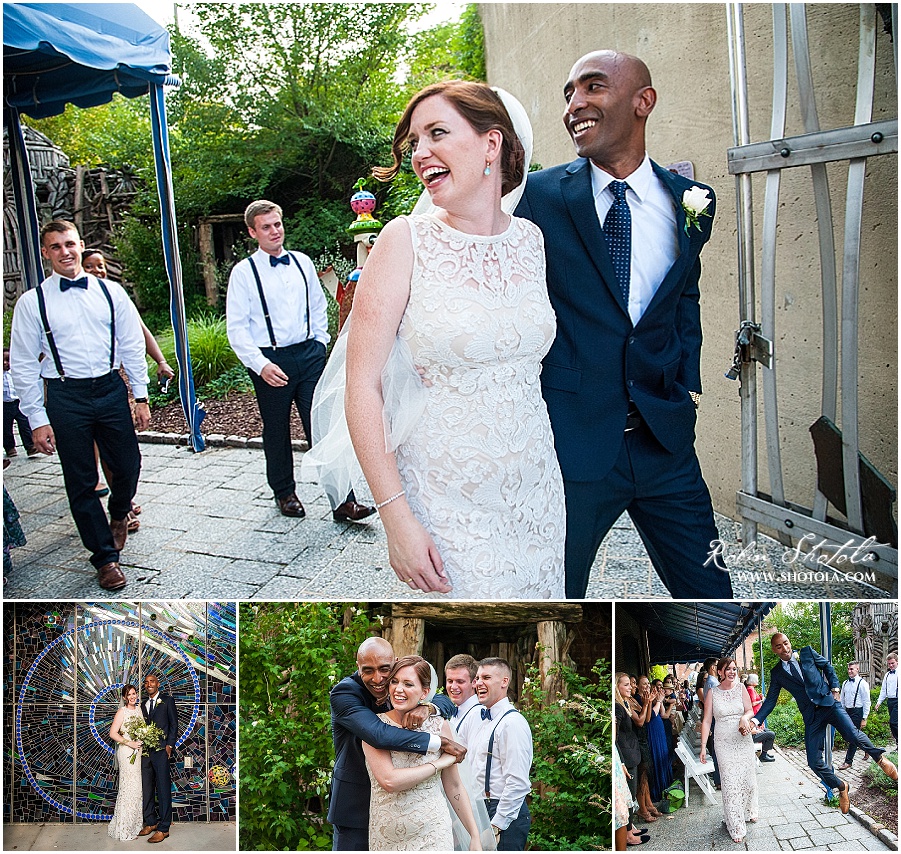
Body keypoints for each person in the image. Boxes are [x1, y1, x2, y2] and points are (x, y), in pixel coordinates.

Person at [515, 49, 733, 600]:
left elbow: (685, 298)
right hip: (573, 443)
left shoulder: (691, 202)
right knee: (555, 596)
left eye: (593, 87)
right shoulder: (537, 197)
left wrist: (684, 385)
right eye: (569, 93)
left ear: (643, 102)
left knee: (712, 592)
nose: (575, 104)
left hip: (665, 444)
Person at [344, 81, 564, 598]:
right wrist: (395, 519)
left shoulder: (531, 241)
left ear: (492, 144)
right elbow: (362, 385)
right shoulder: (404, 241)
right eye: (415, 141)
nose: (421, 153)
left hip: (536, 492)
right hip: (445, 502)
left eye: (437, 133)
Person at [9, 220, 150, 590]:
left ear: (81, 245)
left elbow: (132, 345)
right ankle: (105, 559)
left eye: (69, 244)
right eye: (55, 247)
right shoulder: (32, 302)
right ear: (45, 253)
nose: (65, 252)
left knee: (128, 465)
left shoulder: (111, 292)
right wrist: (37, 419)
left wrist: (141, 394)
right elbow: (23, 364)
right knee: (82, 480)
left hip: (108, 387)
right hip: (65, 395)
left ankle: (119, 512)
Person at [226, 200, 373, 523]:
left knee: (321, 426)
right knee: (276, 429)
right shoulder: (244, 273)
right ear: (253, 232)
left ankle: (343, 501)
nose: (274, 231)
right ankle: (284, 492)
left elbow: (318, 306)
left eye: (277, 224)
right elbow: (236, 329)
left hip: (308, 356)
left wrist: (320, 342)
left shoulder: (303, 262)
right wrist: (260, 364)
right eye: (266, 227)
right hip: (270, 361)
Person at [328, 637, 464, 850]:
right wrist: (438, 742)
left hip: (405, 808)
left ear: (395, 662)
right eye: (368, 670)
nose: (378, 678)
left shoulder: (397, 687)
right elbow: (378, 734)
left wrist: (427, 708)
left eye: (384, 669)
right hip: (356, 807)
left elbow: (444, 700)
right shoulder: (345, 693)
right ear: (358, 667)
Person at [753, 634, 898, 814]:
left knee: (851, 734)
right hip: (811, 716)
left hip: (829, 704)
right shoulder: (777, 673)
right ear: (774, 650)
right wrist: (755, 720)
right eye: (779, 646)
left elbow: (827, 666)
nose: (785, 648)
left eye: (786, 643)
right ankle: (841, 786)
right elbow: (771, 700)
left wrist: (835, 688)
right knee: (813, 762)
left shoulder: (807, 653)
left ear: (790, 642)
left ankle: (880, 759)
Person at [81, 248, 173, 530]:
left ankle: (121, 500)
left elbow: (140, 329)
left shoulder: (115, 295)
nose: (98, 270)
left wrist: (160, 360)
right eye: (90, 266)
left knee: (119, 450)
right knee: (94, 449)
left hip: (114, 379)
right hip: (80, 385)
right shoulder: (71, 301)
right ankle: (116, 505)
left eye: (101, 265)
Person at [363, 656, 487, 851]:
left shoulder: (438, 725)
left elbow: (454, 786)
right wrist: (439, 764)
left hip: (433, 831)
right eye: (394, 682)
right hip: (387, 834)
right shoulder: (373, 727)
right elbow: (389, 782)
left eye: (408, 684)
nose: (398, 689)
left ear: (425, 692)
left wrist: (474, 835)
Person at [470, 658, 533, 850]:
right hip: (482, 810)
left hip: (503, 813)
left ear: (504, 682)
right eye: (478, 677)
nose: (478, 682)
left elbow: (518, 782)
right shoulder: (482, 720)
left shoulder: (512, 723)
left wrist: (497, 825)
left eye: (486, 677)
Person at [699, 658, 758, 844]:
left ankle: (749, 811)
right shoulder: (712, 693)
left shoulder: (741, 688)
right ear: (720, 672)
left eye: (734, 669)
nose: (732, 672)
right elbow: (707, 721)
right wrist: (702, 747)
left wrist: (744, 719)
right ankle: (735, 825)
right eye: (728, 669)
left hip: (743, 739)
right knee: (730, 781)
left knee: (747, 778)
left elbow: (750, 711)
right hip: (723, 741)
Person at [140, 673, 178, 844]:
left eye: (152, 681)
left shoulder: (167, 701)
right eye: (147, 682)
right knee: (147, 788)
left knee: (163, 789)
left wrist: (169, 745)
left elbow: (173, 724)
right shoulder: (142, 704)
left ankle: (164, 828)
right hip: (145, 752)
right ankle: (150, 822)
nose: (149, 684)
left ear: (158, 683)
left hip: (162, 750)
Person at [614, 673, 651, 847]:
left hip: (632, 753)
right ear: (616, 687)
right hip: (626, 757)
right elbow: (614, 739)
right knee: (627, 795)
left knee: (630, 794)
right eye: (626, 685)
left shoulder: (625, 704)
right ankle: (627, 834)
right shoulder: (617, 707)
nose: (631, 688)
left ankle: (630, 828)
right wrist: (620, 761)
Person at [108, 683, 144, 840]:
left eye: (134, 693)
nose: (132, 696)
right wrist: (129, 743)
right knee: (128, 788)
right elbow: (112, 733)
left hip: (138, 751)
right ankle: (124, 830)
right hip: (126, 752)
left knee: (136, 789)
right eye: (129, 694)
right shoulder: (121, 712)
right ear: (124, 697)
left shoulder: (139, 709)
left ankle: (134, 826)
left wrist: (142, 738)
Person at [3, 348, 37, 458]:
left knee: (24, 424)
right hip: (4, 404)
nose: (5, 363)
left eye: (8, 360)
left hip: (18, 402)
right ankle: (9, 447)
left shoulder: (15, 373)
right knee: (6, 427)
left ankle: (30, 446)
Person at [837, 661, 871, 769]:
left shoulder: (862, 683)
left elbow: (867, 701)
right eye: (849, 669)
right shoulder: (845, 683)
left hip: (857, 711)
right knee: (849, 734)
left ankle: (848, 761)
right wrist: (841, 712)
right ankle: (868, 748)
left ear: (857, 669)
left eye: (852, 669)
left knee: (853, 736)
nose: (850, 671)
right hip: (847, 711)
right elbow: (842, 699)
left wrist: (864, 717)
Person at [445, 654, 483, 747]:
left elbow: (475, 757)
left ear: (474, 682)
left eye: (460, 681)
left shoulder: (477, 714)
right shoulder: (456, 711)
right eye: (450, 681)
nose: (453, 687)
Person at [645, 680, 672, 802]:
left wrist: (659, 700)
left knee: (664, 755)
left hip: (659, 726)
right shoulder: (643, 699)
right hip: (652, 729)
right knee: (657, 756)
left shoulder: (654, 698)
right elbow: (651, 716)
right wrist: (660, 701)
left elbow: (662, 713)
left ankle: (666, 785)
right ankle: (658, 790)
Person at [744, 674, 775, 761]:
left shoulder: (750, 689)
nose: (757, 681)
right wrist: (762, 700)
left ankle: (764, 753)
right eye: (756, 679)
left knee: (768, 731)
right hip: (752, 728)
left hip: (754, 723)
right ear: (753, 681)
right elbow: (752, 703)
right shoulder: (750, 689)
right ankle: (763, 755)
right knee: (770, 734)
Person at [875, 652, 898, 743]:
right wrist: (879, 702)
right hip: (890, 701)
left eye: (892, 663)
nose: (891, 665)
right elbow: (883, 690)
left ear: (897, 662)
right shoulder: (887, 675)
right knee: (892, 724)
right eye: (889, 664)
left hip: (898, 700)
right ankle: (897, 743)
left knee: (894, 722)